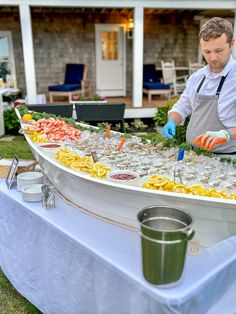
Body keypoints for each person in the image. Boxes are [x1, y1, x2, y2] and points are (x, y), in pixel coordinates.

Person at [162, 17, 236, 154]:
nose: (213, 58)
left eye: (218, 50)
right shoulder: (197, 77)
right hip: (193, 155)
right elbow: (182, 107)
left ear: (231, 43)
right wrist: (172, 121)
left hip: (228, 158)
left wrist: (227, 134)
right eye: (207, 52)